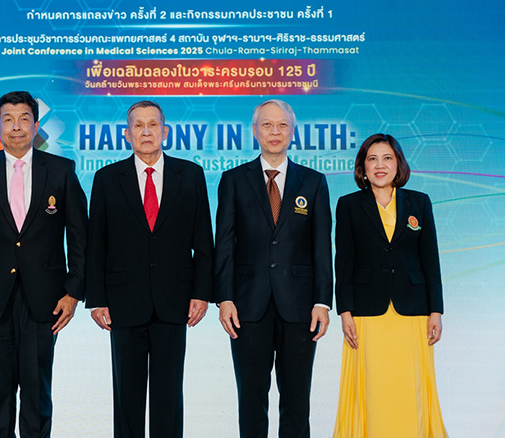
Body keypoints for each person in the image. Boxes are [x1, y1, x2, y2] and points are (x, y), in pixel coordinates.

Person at [0, 90, 88, 438]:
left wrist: (74, 291)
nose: (16, 127)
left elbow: (79, 236)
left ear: (36, 126)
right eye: (8, 120)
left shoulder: (60, 171)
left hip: (45, 300)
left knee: (37, 393)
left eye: (24, 119)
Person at [85, 100, 214, 438]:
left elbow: (203, 240)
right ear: (127, 134)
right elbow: (96, 244)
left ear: (165, 131)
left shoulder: (191, 175)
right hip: (123, 302)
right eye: (138, 125)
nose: (146, 131)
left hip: (175, 300)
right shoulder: (107, 178)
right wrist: (96, 299)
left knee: (168, 396)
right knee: (126, 397)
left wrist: (202, 293)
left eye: (153, 124)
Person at [214, 99, 333, 438]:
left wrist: (322, 302)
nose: (275, 132)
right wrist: (224, 298)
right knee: (251, 399)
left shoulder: (313, 182)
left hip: (300, 306)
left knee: (296, 400)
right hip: (247, 306)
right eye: (267, 125)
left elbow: (322, 246)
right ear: (255, 131)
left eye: (282, 125)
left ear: (292, 132)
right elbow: (224, 243)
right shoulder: (233, 180)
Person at [333, 133, 448, 438]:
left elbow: (430, 259)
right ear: (363, 167)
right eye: (372, 159)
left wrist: (436, 310)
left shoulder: (419, 202)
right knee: (373, 388)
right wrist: (344, 311)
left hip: (413, 312)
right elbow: (343, 263)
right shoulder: (348, 205)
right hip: (366, 312)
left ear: (399, 164)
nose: (380, 165)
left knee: (410, 388)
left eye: (387, 158)